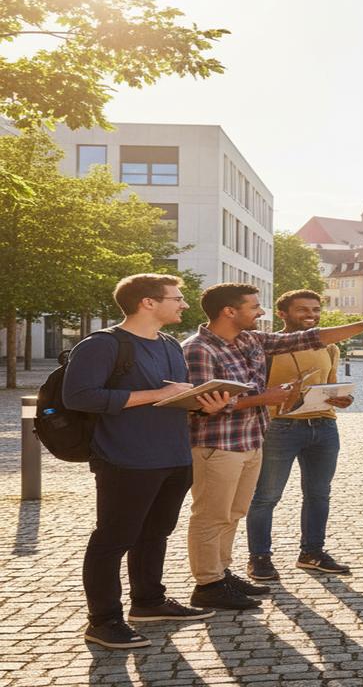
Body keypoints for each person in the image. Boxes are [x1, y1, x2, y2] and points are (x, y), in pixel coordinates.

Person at [184, 283, 363, 610]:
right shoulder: (198, 348)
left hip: (250, 439)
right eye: (254, 307)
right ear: (229, 311)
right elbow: (203, 403)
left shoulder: (250, 339)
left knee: (232, 513)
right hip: (219, 444)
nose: (261, 312)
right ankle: (207, 583)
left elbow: (308, 338)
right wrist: (267, 398)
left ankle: (221, 573)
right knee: (211, 515)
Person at [63, 274, 216, 649]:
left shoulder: (169, 344)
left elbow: (170, 398)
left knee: (156, 533)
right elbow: (79, 397)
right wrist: (157, 394)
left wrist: (203, 404)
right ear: (148, 302)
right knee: (112, 540)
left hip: (175, 455)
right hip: (126, 457)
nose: (183, 304)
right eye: (176, 298)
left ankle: (148, 602)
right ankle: (103, 621)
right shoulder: (102, 345)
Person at [244, 290, 356, 581]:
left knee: (319, 494)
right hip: (279, 428)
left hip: (324, 426)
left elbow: (330, 387)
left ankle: (312, 553)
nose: (311, 314)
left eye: (315, 309)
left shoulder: (329, 348)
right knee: (267, 496)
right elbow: (251, 392)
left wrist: (341, 399)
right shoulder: (266, 348)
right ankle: (259, 557)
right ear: (282, 314)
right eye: (302, 309)